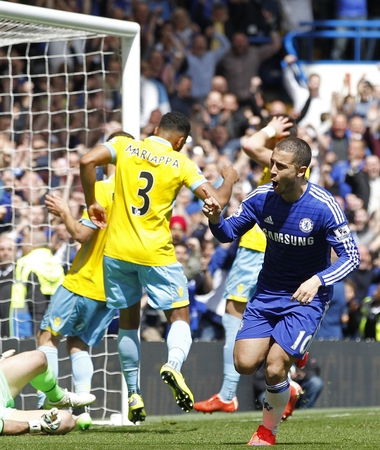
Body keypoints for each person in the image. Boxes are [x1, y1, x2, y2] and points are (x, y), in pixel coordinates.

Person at [79, 111, 237, 422]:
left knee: (128, 321)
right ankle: (173, 365)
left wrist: (91, 202)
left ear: (155, 129)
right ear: (180, 141)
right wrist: (229, 177)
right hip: (156, 253)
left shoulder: (125, 147)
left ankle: (134, 393)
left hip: (117, 251)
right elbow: (216, 201)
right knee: (180, 315)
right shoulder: (181, 163)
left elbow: (86, 161)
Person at [202, 137, 360, 445]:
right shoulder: (261, 197)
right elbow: (226, 234)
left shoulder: (324, 206)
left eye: (280, 166)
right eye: (272, 162)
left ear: (301, 171)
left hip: (306, 298)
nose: (271, 170)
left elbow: (352, 257)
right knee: (244, 364)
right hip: (267, 293)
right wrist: (214, 218)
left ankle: (267, 431)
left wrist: (317, 281)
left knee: (274, 368)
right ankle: (291, 363)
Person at [194, 115, 295, 414]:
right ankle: (288, 386)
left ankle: (228, 393)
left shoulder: (282, 167)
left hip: (257, 246)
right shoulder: (287, 173)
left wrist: (268, 130)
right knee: (267, 317)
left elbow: (250, 144)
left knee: (234, 311)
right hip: (273, 249)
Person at [35, 131, 134, 417]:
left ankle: (49, 403)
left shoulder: (104, 189)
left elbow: (81, 234)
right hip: (112, 290)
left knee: (47, 337)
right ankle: (83, 410)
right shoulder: (140, 200)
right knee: (78, 344)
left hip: (83, 281)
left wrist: (65, 211)